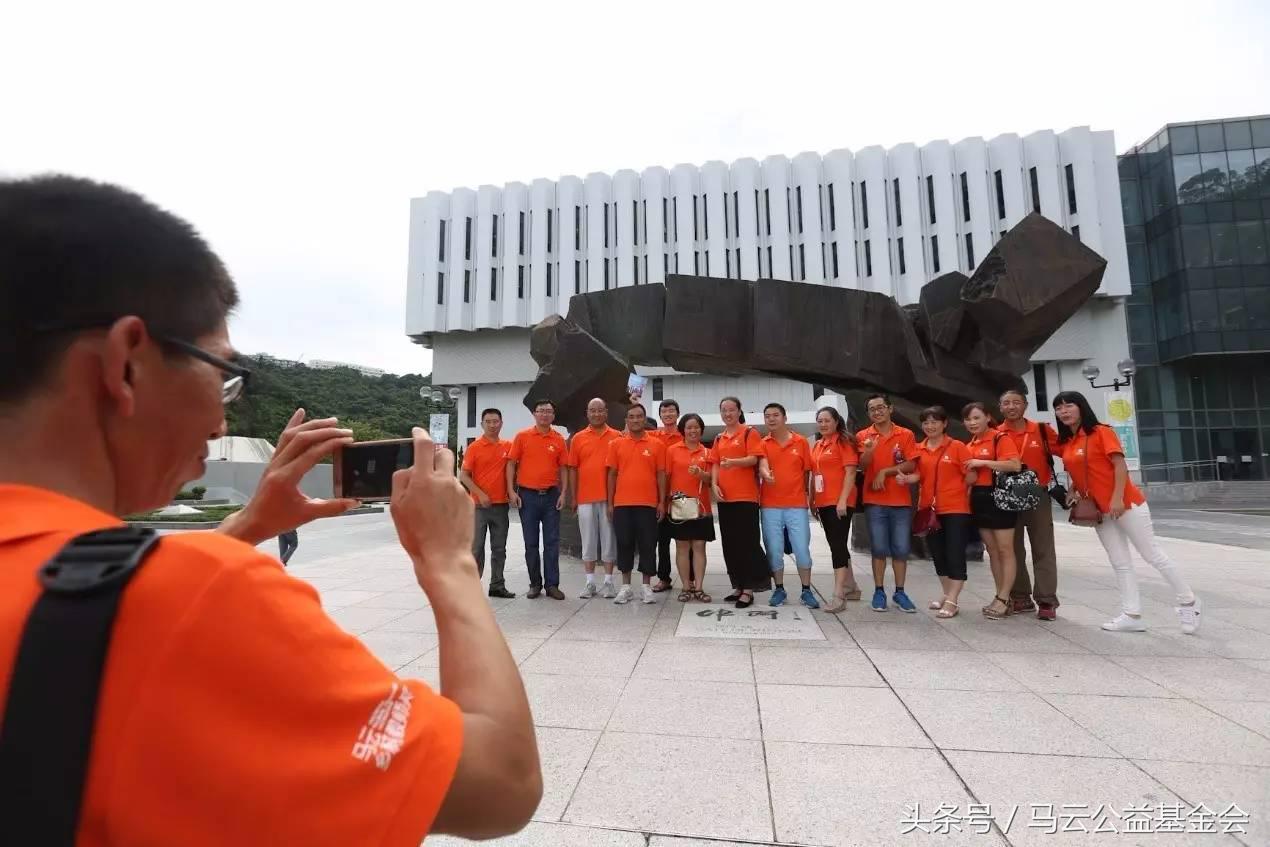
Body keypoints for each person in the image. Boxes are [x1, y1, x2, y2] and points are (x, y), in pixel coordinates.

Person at [0, 175, 541, 843]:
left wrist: (249, 525)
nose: (222, 408)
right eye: (221, 371)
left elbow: (86, 598)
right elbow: (502, 782)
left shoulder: (99, 587)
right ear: (126, 363)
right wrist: (449, 559)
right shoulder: (204, 598)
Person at [1052, 391, 1202, 634]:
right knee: (1120, 562)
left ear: (1082, 407)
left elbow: (1119, 465)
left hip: (1125, 504)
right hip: (1100, 511)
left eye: (1069, 405)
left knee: (1152, 555)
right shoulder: (1068, 441)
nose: (1064, 411)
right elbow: (1085, 470)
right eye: (1058, 408)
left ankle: (1189, 602)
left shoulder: (1101, 431)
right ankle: (1132, 614)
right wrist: (1073, 490)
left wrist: (1117, 498)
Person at [902, 407, 973, 619]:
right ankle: (946, 593)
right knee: (938, 555)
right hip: (929, 510)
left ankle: (952, 601)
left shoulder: (957, 447)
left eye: (934, 422)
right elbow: (918, 475)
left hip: (955, 509)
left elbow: (971, 476)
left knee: (955, 553)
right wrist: (907, 479)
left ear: (944, 424)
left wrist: (957, 489)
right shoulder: (919, 448)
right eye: (926, 423)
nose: (930, 426)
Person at [998, 388, 1061, 620]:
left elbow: (1068, 452)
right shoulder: (996, 433)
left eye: (1016, 402)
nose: (1011, 407)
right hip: (1006, 496)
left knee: (1043, 547)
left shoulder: (1042, 431)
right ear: (1000, 407)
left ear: (1025, 405)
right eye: (1007, 403)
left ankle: (1046, 599)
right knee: (1011, 549)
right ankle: (1020, 596)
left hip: (1037, 495)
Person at [857, 394, 920, 613]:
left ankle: (900, 592)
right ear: (868, 414)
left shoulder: (905, 434)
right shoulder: (863, 436)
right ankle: (879, 591)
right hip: (874, 500)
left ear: (890, 409)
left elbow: (911, 463)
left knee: (901, 549)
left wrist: (886, 471)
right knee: (879, 548)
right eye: (872, 409)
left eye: (881, 407)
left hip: (900, 501)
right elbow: (862, 467)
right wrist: (869, 451)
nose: (877, 411)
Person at [962, 402, 1022, 620]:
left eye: (976, 418)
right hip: (979, 499)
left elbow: (1015, 465)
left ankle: (1005, 598)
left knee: (1006, 549)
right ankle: (1000, 596)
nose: (972, 423)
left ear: (988, 417)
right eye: (968, 419)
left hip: (1000, 497)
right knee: (992, 551)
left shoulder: (999, 438)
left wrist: (983, 462)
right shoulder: (970, 444)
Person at [710, 396, 771, 608]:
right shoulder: (719, 438)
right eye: (724, 410)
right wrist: (714, 484)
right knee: (731, 544)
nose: (728, 414)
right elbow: (715, 464)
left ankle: (749, 588)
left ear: (739, 411)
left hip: (746, 498)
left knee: (748, 543)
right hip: (725, 498)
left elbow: (754, 458)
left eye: (731, 410)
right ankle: (737, 585)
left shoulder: (749, 432)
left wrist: (734, 462)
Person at [506, 399, 569, 600]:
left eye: (549, 411)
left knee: (552, 542)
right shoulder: (522, 436)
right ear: (534, 414)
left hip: (551, 496)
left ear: (553, 415)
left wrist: (564, 492)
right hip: (528, 496)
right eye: (541, 411)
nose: (545, 414)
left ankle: (552, 585)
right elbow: (511, 464)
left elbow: (564, 468)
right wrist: (511, 491)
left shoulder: (559, 439)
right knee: (531, 542)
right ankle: (535, 584)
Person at [606, 403, 667, 604]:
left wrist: (661, 502)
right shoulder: (616, 444)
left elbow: (661, 475)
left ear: (644, 418)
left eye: (639, 416)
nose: (635, 420)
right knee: (624, 543)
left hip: (648, 504)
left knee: (648, 544)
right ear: (626, 420)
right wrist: (610, 503)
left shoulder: (657, 444)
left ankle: (646, 586)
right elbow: (612, 475)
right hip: (622, 504)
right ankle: (625, 587)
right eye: (631, 417)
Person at [758, 403, 817, 608]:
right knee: (774, 549)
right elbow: (762, 464)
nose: (771, 419)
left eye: (775, 415)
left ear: (785, 417)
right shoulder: (763, 443)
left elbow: (807, 472)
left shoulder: (800, 442)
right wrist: (766, 473)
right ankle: (779, 589)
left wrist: (810, 498)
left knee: (802, 549)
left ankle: (806, 590)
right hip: (770, 506)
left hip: (796, 505)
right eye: (767, 416)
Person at [567, 398, 622, 599]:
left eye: (600, 410)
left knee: (609, 539)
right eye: (593, 410)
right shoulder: (578, 438)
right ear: (587, 413)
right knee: (588, 540)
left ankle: (608, 582)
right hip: (584, 497)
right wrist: (573, 496)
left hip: (609, 498)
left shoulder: (617, 436)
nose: (596, 414)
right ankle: (590, 582)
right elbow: (573, 469)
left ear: (606, 412)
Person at [459, 407, 516, 598]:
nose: (492, 425)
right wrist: (480, 494)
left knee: (499, 548)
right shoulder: (475, 447)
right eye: (488, 422)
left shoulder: (508, 446)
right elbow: (464, 476)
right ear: (482, 424)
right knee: (476, 548)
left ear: (501, 423)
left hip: (501, 506)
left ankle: (497, 585)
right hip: (478, 507)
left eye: (495, 421)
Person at [810, 407, 862, 612]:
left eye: (827, 420)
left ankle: (839, 593)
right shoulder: (817, 445)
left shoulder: (844, 442)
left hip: (840, 503)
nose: (823, 424)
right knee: (836, 544)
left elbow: (850, 473)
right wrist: (812, 500)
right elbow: (815, 476)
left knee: (837, 546)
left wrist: (842, 501)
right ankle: (851, 587)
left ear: (836, 421)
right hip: (823, 502)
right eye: (820, 421)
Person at [664, 413, 715, 602]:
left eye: (696, 427)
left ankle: (699, 587)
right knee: (682, 546)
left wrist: (702, 474)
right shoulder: (672, 450)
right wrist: (665, 501)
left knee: (700, 546)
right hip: (680, 505)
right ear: (682, 430)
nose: (693, 430)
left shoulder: (708, 452)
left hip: (701, 506)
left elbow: (712, 481)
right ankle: (686, 586)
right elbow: (667, 477)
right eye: (689, 427)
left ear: (701, 429)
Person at [647, 398, 684, 593]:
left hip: (681, 497)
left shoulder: (685, 435)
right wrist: (634, 401)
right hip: (658, 498)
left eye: (671, 411)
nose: (668, 414)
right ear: (660, 415)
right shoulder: (653, 436)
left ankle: (691, 579)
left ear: (677, 414)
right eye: (664, 411)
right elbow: (626, 433)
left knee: (686, 540)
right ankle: (664, 578)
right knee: (662, 541)